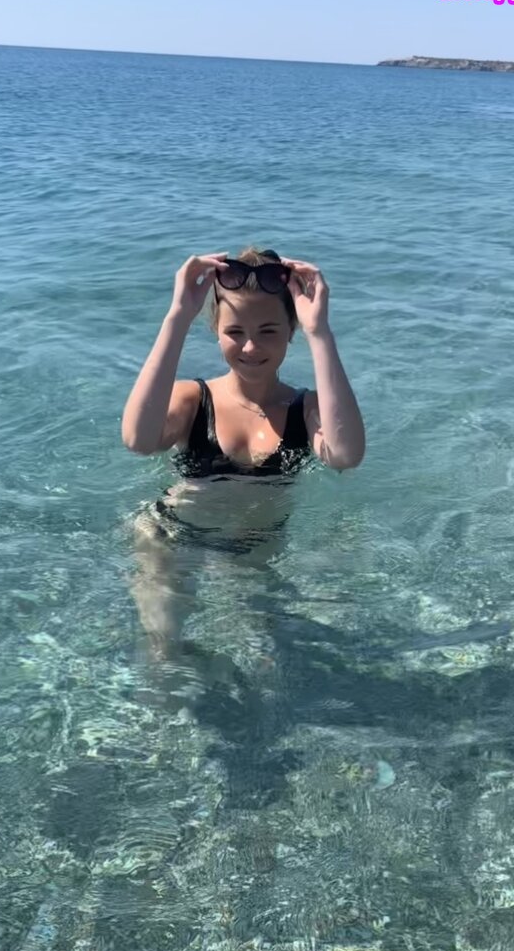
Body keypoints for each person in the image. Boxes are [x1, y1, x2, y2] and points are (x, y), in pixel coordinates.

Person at [121, 247, 365, 664]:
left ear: (291, 329)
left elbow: (345, 455)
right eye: (235, 332)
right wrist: (177, 317)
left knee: (266, 662)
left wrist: (320, 332)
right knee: (164, 657)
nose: (251, 346)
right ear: (216, 331)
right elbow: (138, 440)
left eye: (268, 331)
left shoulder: (306, 410)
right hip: (171, 539)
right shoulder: (193, 400)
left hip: (254, 548)